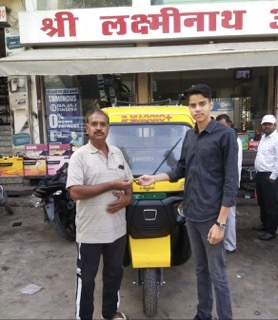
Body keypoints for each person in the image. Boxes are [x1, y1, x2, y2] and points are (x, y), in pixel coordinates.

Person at [136, 84, 238, 320]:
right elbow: (180, 168)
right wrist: (154, 178)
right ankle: (203, 314)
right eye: (193, 105)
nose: (197, 109)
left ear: (211, 104)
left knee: (218, 273)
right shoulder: (190, 135)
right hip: (191, 213)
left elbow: (231, 183)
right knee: (200, 269)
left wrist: (221, 223)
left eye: (202, 103)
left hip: (212, 217)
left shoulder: (225, 136)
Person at [66, 109, 133, 320]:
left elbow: (128, 181)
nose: (98, 128)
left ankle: (110, 313)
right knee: (86, 279)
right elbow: (75, 192)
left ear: (108, 129)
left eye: (102, 124)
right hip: (90, 233)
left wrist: (128, 198)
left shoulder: (117, 153)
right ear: (87, 129)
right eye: (94, 124)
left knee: (114, 275)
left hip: (116, 230)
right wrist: (110, 185)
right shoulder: (79, 157)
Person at [216, 114, 243, 253]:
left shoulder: (233, 139)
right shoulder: (224, 138)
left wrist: (231, 185)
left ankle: (230, 245)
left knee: (229, 214)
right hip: (222, 183)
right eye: (219, 125)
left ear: (229, 124)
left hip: (229, 183)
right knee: (222, 214)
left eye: (223, 125)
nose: (221, 128)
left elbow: (234, 167)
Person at [253, 114, 278, 240]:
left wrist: (273, 177)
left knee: (271, 204)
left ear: (275, 125)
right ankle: (265, 224)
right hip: (260, 174)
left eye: (269, 124)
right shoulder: (264, 137)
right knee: (262, 202)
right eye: (265, 124)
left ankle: (271, 230)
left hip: (270, 177)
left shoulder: (276, 139)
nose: (266, 126)